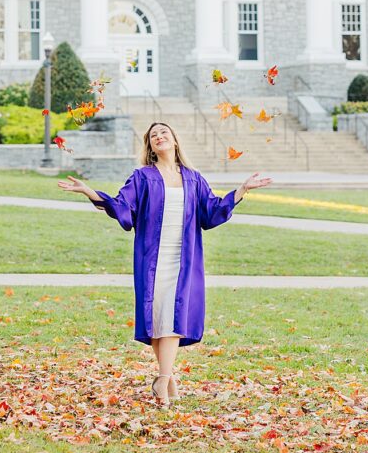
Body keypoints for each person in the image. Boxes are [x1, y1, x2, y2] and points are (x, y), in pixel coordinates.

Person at [57, 120, 272, 408]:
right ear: (150, 145)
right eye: (154, 135)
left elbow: (212, 212)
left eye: (164, 133)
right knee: (160, 319)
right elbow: (122, 207)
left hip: (183, 260)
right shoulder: (143, 177)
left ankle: (163, 378)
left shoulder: (194, 178)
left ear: (175, 141)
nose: (159, 137)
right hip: (152, 260)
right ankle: (166, 378)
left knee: (170, 318)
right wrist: (90, 192)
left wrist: (242, 189)